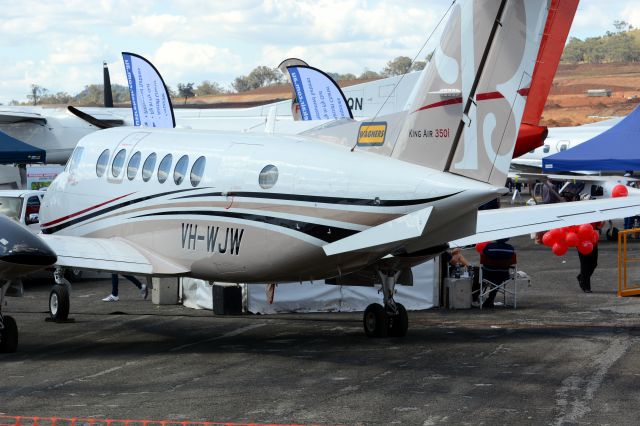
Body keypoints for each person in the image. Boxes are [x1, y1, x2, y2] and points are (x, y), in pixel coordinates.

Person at [479, 238, 517, 308]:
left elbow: (483, 255)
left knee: (479, 273)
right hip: (503, 274)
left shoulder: (489, 246)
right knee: (497, 280)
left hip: (488, 273)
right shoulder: (510, 248)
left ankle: (477, 297)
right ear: (507, 239)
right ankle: (490, 299)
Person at [577, 222, 603, 293]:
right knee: (585, 265)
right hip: (581, 241)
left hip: (593, 240)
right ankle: (586, 286)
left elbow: (599, 226)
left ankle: (582, 277)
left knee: (594, 263)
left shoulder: (594, 213)